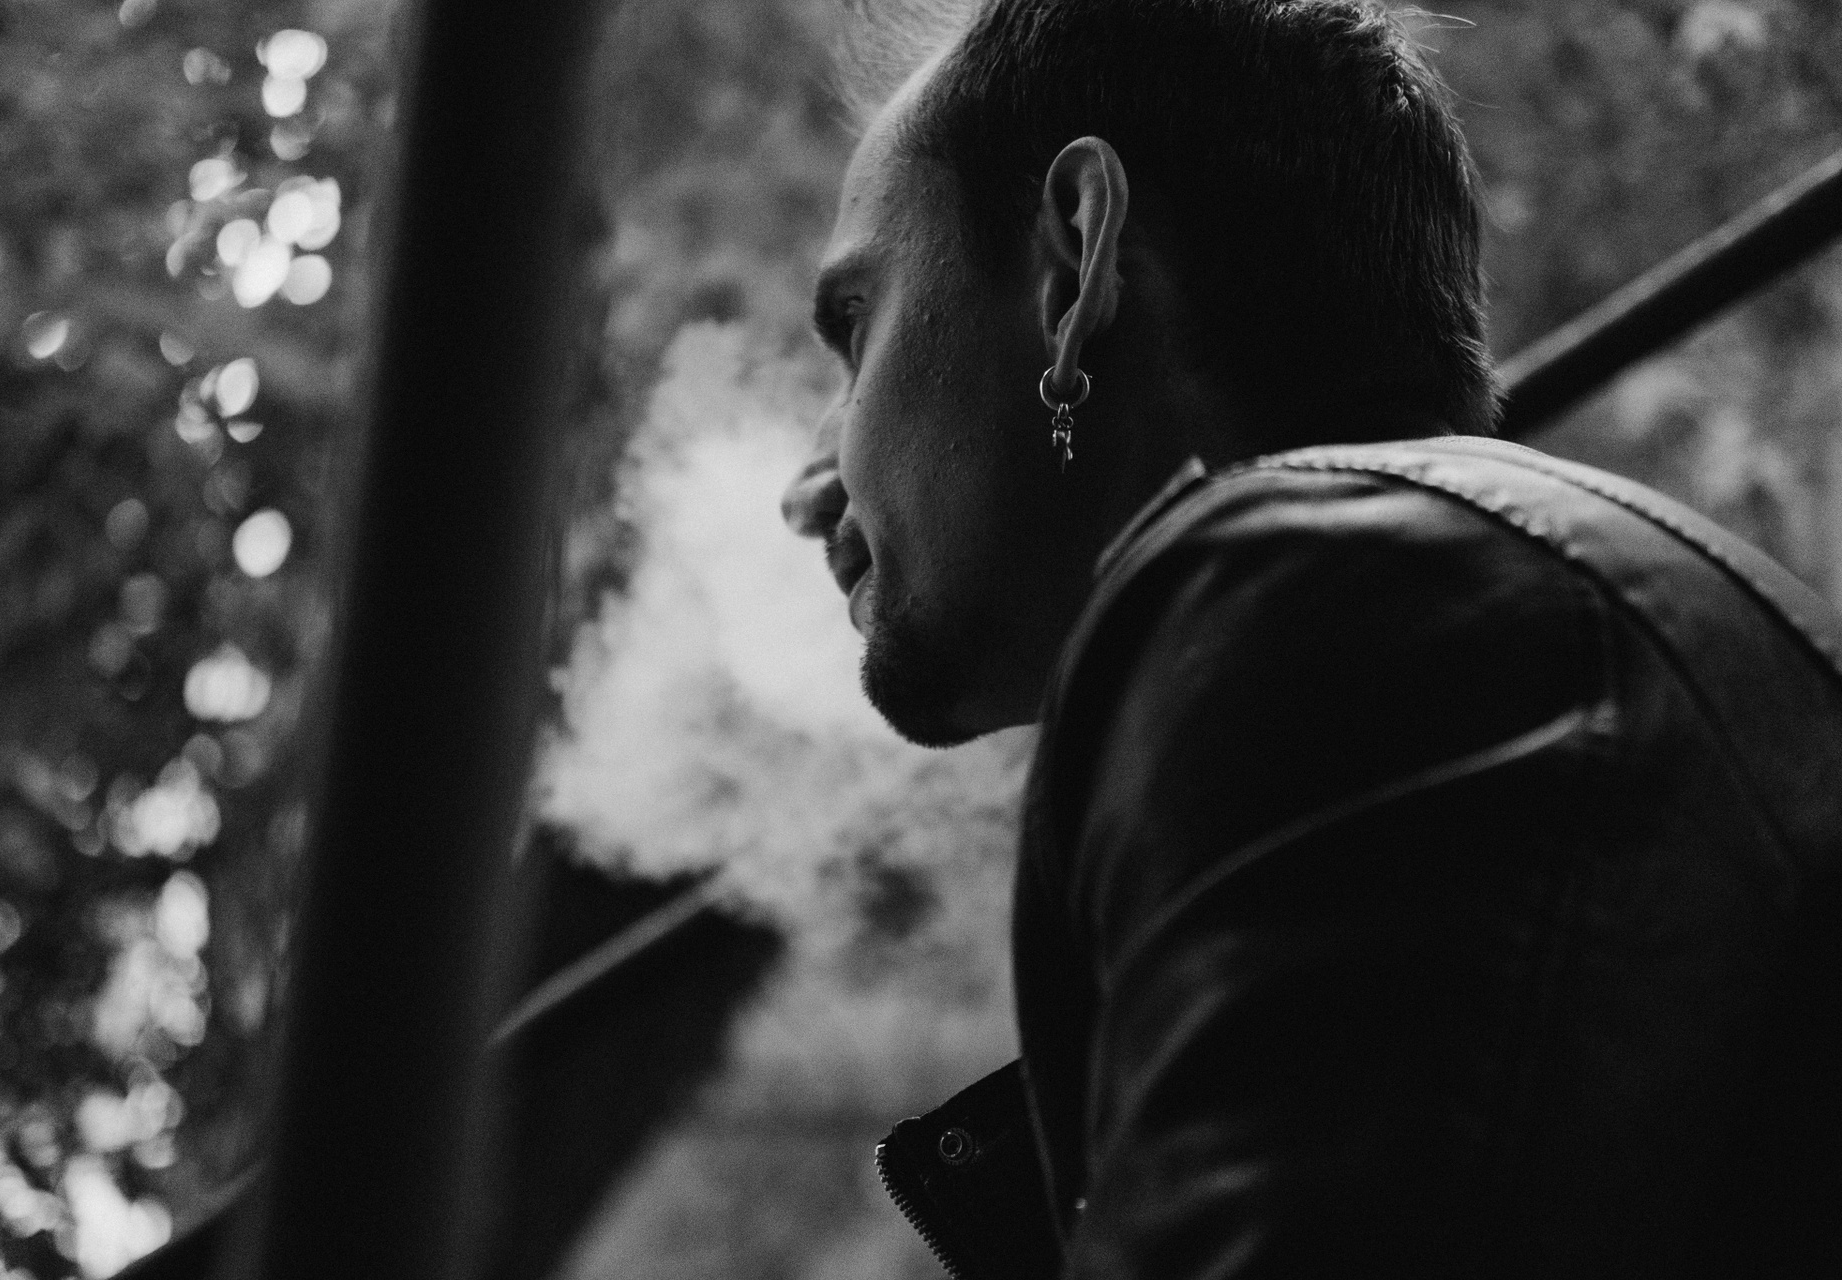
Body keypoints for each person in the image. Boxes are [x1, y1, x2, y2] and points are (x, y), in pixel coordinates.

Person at [780, 1, 1842, 1276]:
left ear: (1070, 262)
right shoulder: (1458, 605)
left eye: (856, 325)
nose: (814, 482)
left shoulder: (1328, 600)